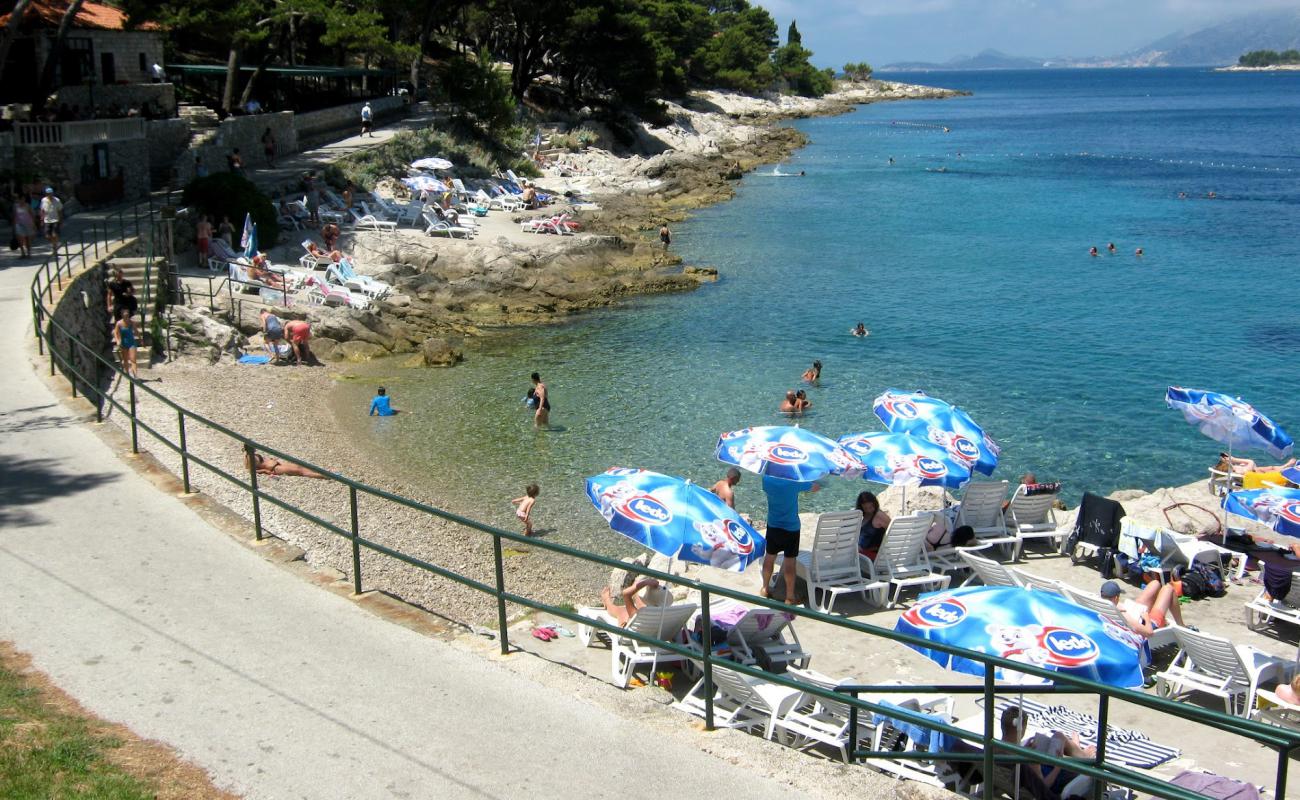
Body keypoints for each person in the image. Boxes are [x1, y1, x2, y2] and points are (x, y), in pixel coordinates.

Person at [761, 474, 818, 602]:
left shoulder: (766, 479)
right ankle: (790, 596)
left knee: (770, 556)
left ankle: (765, 588)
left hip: (773, 525)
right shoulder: (794, 481)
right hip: (791, 527)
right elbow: (815, 487)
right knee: (789, 562)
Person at [1100, 579, 1187, 638]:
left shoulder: (1101, 606)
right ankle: (1181, 626)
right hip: (1147, 626)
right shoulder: (1124, 616)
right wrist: (1146, 617)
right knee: (1168, 589)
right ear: (1116, 598)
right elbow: (1149, 632)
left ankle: (1159, 615)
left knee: (1155, 583)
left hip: (1134, 617)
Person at [600, 576, 669, 626]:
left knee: (622, 612)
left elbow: (626, 594)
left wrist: (645, 583)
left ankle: (607, 601)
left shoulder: (638, 614)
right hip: (655, 635)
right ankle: (607, 602)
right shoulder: (665, 613)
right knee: (625, 610)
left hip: (633, 637)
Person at [856, 490, 892, 559]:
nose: (869, 510)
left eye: (871, 507)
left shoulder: (879, 515)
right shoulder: (863, 516)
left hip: (871, 555)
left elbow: (893, 531)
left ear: (874, 503)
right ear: (861, 507)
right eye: (866, 508)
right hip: (861, 552)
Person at [245, 450, 326, 479]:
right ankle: (326, 476)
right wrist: (264, 470)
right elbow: (250, 469)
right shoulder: (248, 458)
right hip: (275, 468)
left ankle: (325, 474)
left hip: (278, 464)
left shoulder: (254, 454)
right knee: (300, 472)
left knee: (301, 467)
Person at [113, 307, 140, 379]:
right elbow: (115, 333)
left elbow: (136, 331)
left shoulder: (131, 322)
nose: (126, 316)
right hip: (123, 343)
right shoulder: (119, 323)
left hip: (131, 343)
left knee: (133, 359)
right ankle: (127, 374)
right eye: (125, 314)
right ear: (122, 315)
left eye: (127, 314)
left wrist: (140, 338)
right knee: (125, 360)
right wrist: (118, 340)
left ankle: (135, 375)